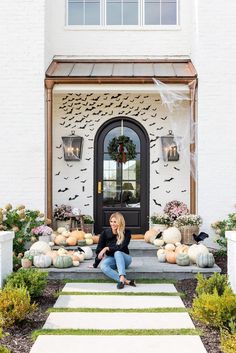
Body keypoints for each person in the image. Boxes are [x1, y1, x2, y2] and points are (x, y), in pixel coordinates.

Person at [92, 212, 136, 289]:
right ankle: (125, 281)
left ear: (120, 222)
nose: (112, 224)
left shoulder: (127, 233)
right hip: (112, 259)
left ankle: (122, 276)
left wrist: (107, 248)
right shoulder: (105, 233)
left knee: (117, 252)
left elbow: (121, 247)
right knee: (103, 266)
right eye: (111, 221)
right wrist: (95, 264)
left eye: (115, 222)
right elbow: (99, 249)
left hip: (125, 259)